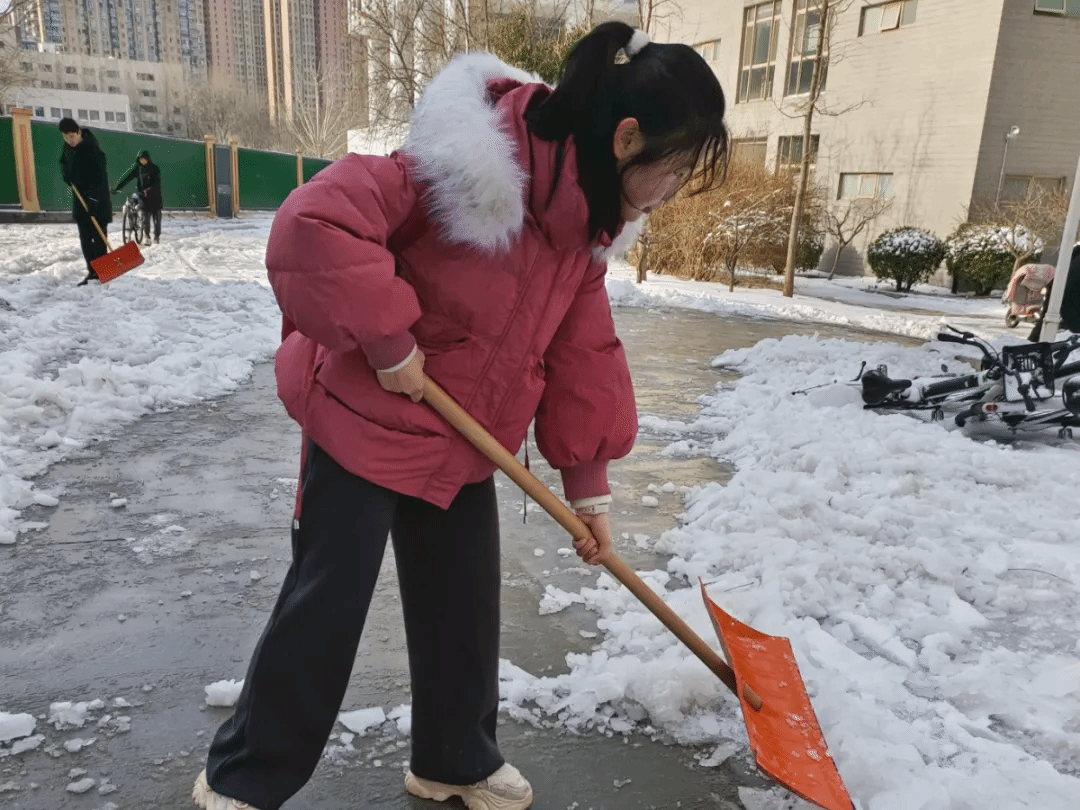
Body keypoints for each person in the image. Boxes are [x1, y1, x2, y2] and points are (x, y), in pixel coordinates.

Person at [192, 22, 728, 810]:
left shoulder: (583, 231)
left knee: (462, 610)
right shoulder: (466, 165)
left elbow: (584, 353)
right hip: (363, 422)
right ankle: (244, 776)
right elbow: (315, 224)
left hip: (465, 442)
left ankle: (453, 760)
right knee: (326, 606)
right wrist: (387, 338)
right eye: (675, 170)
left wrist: (588, 487)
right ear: (625, 138)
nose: (673, 192)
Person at [58, 117, 112, 286]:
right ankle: (92, 272)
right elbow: (63, 162)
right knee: (85, 239)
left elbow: (101, 179)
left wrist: (94, 199)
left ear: (79, 132)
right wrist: (66, 175)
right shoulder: (68, 148)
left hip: (97, 200)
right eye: (65, 137)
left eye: (72, 136)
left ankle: (103, 270)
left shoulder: (93, 149)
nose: (69, 140)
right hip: (80, 201)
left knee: (99, 237)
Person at [1029, 244, 1080, 341]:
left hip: (1062, 326)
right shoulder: (1073, 257)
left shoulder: (1072, 257)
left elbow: (1052, 290)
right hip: (1071, 330)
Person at [114, 149, 163, 243]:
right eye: (141, 159)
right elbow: (128, 178)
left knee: (156, 219)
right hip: (144, 197)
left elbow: (157, 183)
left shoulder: (155, 168)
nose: (142, 161)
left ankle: (156, 237)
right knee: (145, 220)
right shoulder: (138, 169)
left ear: (148, 159)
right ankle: (147, 237)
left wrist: (148, 190)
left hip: (155, 197)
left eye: (144, 159)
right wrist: (118, 187)